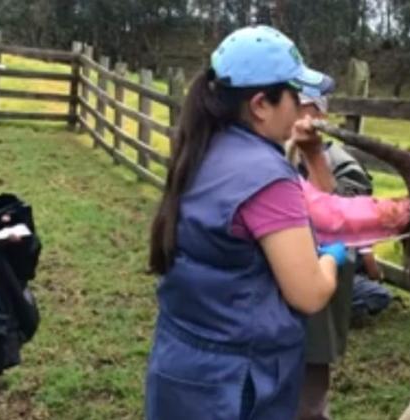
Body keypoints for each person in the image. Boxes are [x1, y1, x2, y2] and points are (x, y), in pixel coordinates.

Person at [145, 25, 348, 420]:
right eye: (294, 96)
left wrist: (311, 156)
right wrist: (331, 259)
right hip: (240, 382)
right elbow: (308, 294)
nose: (300, 107)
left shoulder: (202, 149)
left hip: (181, 363)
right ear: (260, 105)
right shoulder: (268, 178)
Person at [290, 89, 410, 420]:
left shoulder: (343, 165)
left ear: (319, 116)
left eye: (300, 106)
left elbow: (339, 217)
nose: (291, 113)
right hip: (280, 304)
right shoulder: (269, 157)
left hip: (317, 303)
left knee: (309, 400)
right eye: (287, 102)